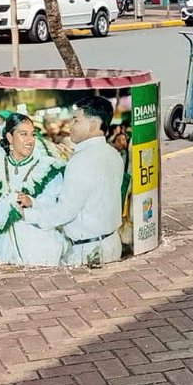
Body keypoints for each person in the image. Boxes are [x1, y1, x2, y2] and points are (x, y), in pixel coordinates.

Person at [19, 96, 125, 267]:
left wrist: (27, 215)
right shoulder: (112, 154)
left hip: (89, 251)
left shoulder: (81, 161)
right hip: (111, 243)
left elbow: (65, 212)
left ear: (93, 124)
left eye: (76, 120)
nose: (70, 125)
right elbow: (94, 198)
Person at [0, 113, 68, 266]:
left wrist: (31, 201)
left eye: (32, 134)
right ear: (10, 137)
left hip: (38, 246)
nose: (30, 140)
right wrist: (1, 127)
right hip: (6, 246)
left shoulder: (46, 167)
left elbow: (56, 210)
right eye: (23, 134)